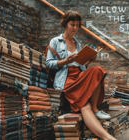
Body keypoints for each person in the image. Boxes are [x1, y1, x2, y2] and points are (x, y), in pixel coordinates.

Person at [46, 10, 116, 140]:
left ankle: (95, 108)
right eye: (72, 24)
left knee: (97, 70)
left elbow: (81, 65)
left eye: (77, 25)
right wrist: (66, 61)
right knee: (84, 105)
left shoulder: (77, 43)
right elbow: (49, 63)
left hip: (79, 75)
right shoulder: (55, 41)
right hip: (66, 79)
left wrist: (89, 60)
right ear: (65, 24)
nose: (75, 28)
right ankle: (107, 137)